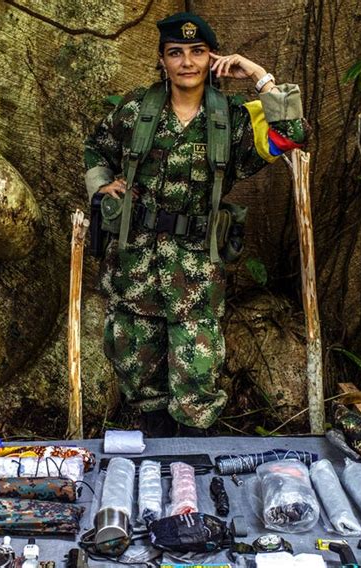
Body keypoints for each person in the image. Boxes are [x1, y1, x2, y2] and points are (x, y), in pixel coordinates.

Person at [84, 12, 307, 437]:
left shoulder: (235, 117)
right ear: (162, 61)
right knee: (137, 365)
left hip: (196, 268)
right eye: (176, 53)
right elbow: (97, 147)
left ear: (212, 58)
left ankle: (193, 470)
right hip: (133, 262)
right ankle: (154, 462)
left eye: (198, 52)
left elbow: (290, 135)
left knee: (197, 376)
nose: (187, 62)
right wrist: (100, 187)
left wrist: (258, 74)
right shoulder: (136, 109)